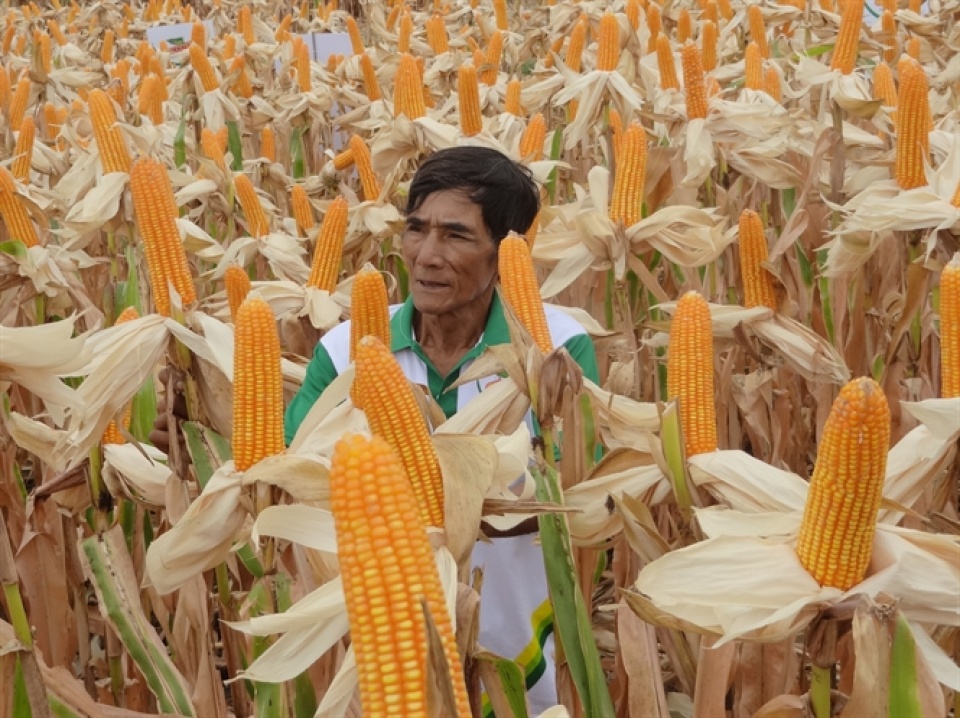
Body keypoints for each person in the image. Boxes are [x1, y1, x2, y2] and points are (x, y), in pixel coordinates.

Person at [285, 146, 599, 715]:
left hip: (523, 643)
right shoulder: (344, 349)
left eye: (456, 236)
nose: (427, 256)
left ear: (505, 253)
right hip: (390, 643)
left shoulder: (557, 349)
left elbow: (580, 489)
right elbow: (298, 471)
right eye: (416, 229)